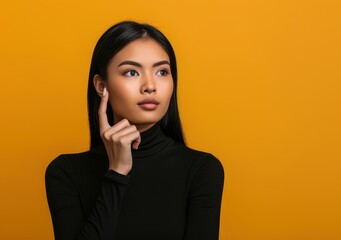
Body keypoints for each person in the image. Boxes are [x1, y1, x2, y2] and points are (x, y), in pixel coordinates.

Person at [45, 21, 224, 240]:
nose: (150, 85)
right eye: (131, 72)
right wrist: (117, 173)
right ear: (102, 86)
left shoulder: (202, 170)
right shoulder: (65, 172)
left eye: (162, 72)